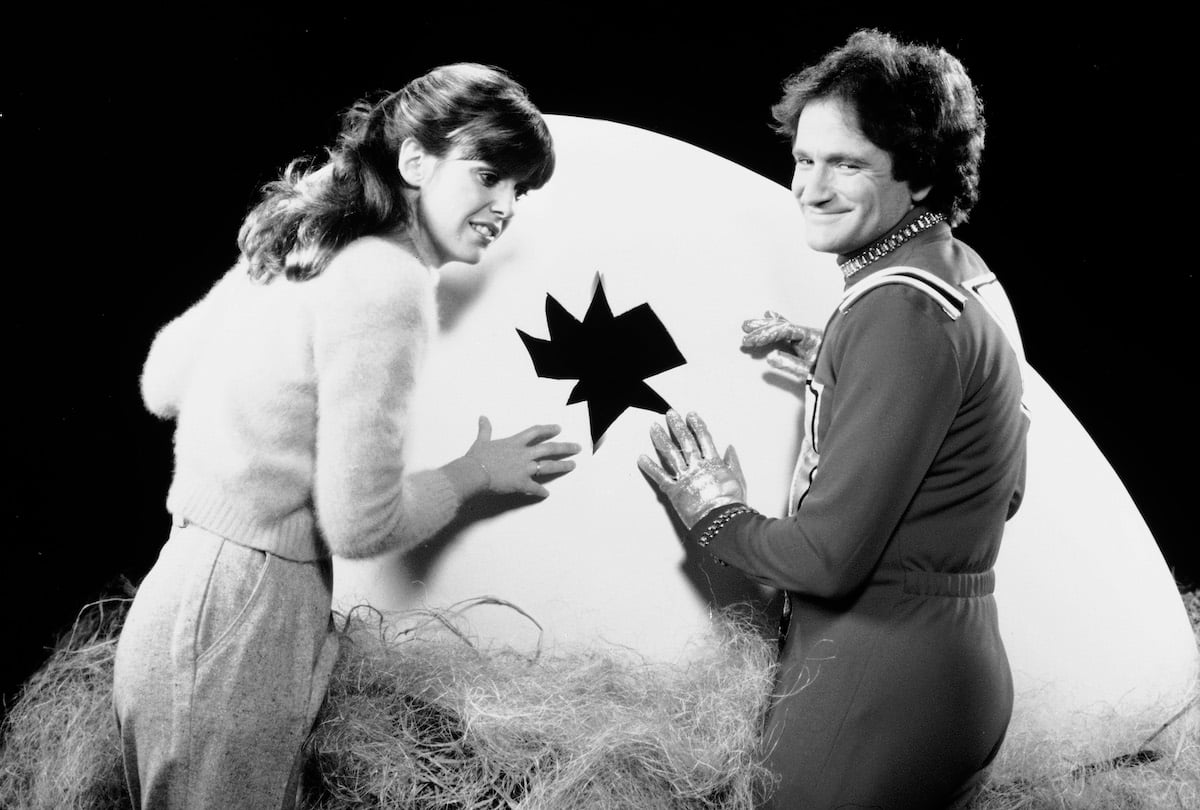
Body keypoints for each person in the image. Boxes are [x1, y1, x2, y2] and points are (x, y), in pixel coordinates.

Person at [113, 63, 581, 809]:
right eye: (489, 175)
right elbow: (361, 526)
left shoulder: (308, 246)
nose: (504, 207)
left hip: (178, 598)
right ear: (415, 161)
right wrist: (474, 472)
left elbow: (161, 382)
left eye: (518, 190)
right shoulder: (389, 282)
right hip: (247, 615)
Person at [639, 30, 1029, 809]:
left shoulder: (898, 314)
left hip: (877, 680)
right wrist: (834, 358)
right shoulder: (960, 275)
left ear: (920, 173)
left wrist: (714, 512)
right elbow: (998, 481)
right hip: (955, 671)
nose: (810, 189)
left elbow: (825, 563)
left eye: (847, 164)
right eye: (803, 160)